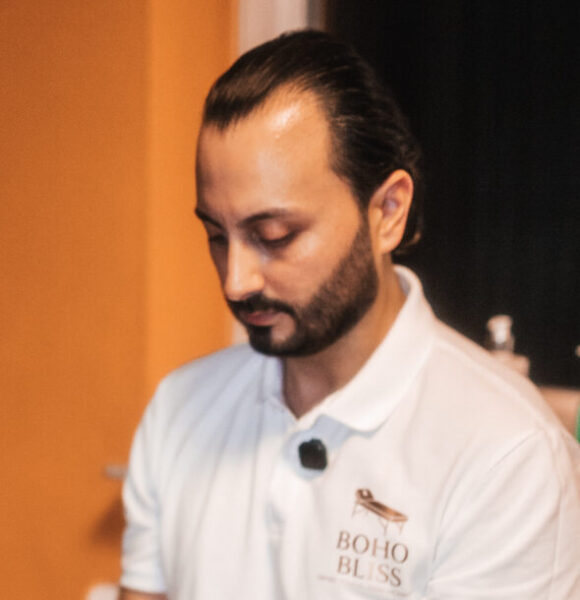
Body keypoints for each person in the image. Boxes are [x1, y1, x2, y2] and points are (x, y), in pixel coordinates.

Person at [119, 30, 580, 600]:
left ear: (388, 211)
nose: (237, 281)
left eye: (274, 235)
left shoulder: (508, 456)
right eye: (217, 235)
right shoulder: (180, 410)